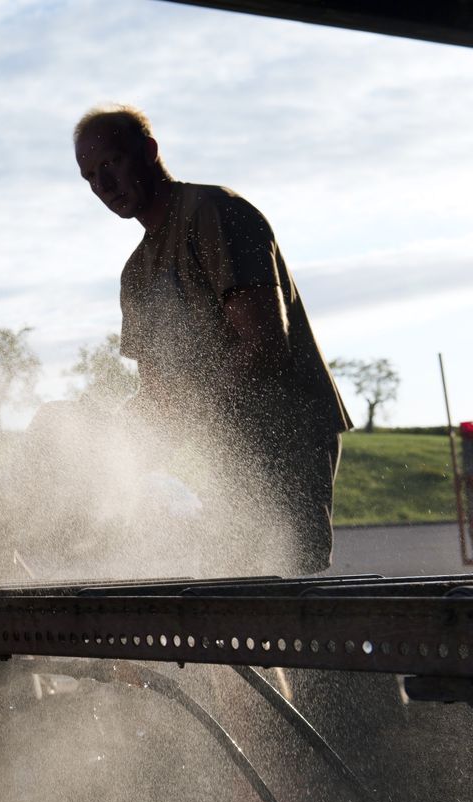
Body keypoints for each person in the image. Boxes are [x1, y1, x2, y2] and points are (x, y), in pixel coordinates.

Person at [72, 105, 352, 574]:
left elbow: (265, 345)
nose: (103, 185)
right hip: (223, 450)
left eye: (111, 163)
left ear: (148, 151)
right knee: (232, 584)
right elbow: (158, 394)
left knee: (286, 582)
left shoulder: (215, 213)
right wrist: (103, 450)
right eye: (89, 176)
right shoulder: (136, 273)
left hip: (282, 434)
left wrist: (187, 408)